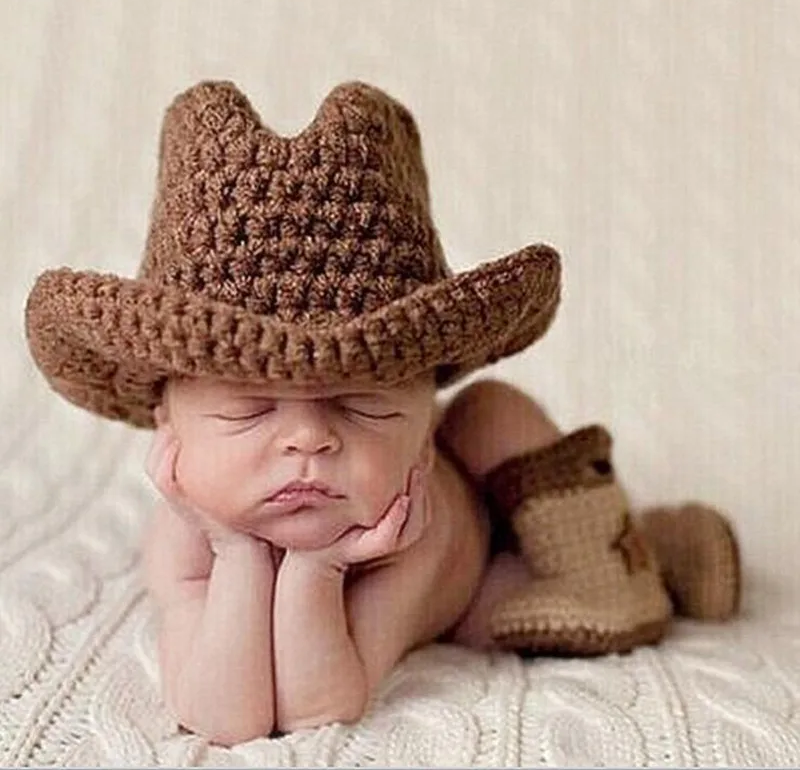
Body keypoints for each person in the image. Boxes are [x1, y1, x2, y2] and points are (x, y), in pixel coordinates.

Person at [24, 79, 740, 746]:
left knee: (492, 414)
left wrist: (320, 569)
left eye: (364, 407)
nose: (308, 438)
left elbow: (326, 699)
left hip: (473, 536)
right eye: (247, 412)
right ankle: (654, 551)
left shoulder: (411, 529)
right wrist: (239, 553)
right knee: (505, 619)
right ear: (166, 427)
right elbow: (229, 718)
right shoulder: (183, 542)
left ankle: (603, 567)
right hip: (474, 599)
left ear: (424, 434)